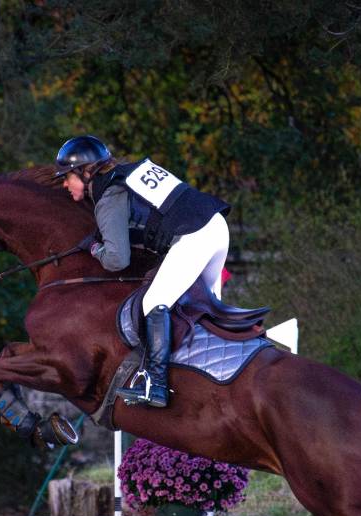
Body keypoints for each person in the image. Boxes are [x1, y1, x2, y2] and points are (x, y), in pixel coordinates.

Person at [54, 135, 231, 408]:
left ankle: (155, 385)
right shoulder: (129, 174)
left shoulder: (110, 193)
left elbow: (117, 260)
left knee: (153, 302)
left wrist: (94, 248)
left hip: (196, 236)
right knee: (205, 309)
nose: (65, 184)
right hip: (216, 226)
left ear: (86, 172)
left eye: (67, 177)